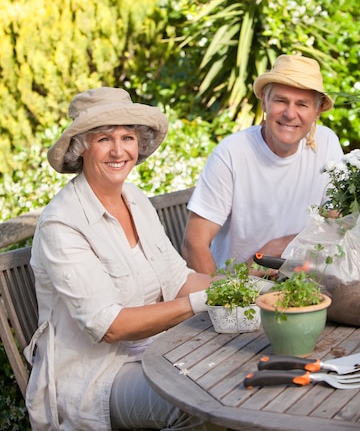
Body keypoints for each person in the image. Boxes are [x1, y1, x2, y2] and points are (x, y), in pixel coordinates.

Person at [24, 87, 223, 431]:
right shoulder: (63, 222)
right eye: (104, 139)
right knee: (201, 400)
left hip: (159, 354)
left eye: (127, 137)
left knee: (240, 369)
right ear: (81, 147)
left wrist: (240, 287)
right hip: (96, 378)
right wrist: (204, 301)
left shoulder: (134, 198)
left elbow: (178, 279)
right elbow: (110, 326)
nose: (119, 151)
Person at [182, 54, 344, 276]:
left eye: (302, 104)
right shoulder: (232, 153)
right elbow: (194, 244)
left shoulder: (327, 143)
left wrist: (283, 245)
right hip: (240, 290)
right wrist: (224, 295)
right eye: (281, 100)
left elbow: (336, 221)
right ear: (264, 102)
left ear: (317, 111)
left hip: (306, 282)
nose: (290, 113)